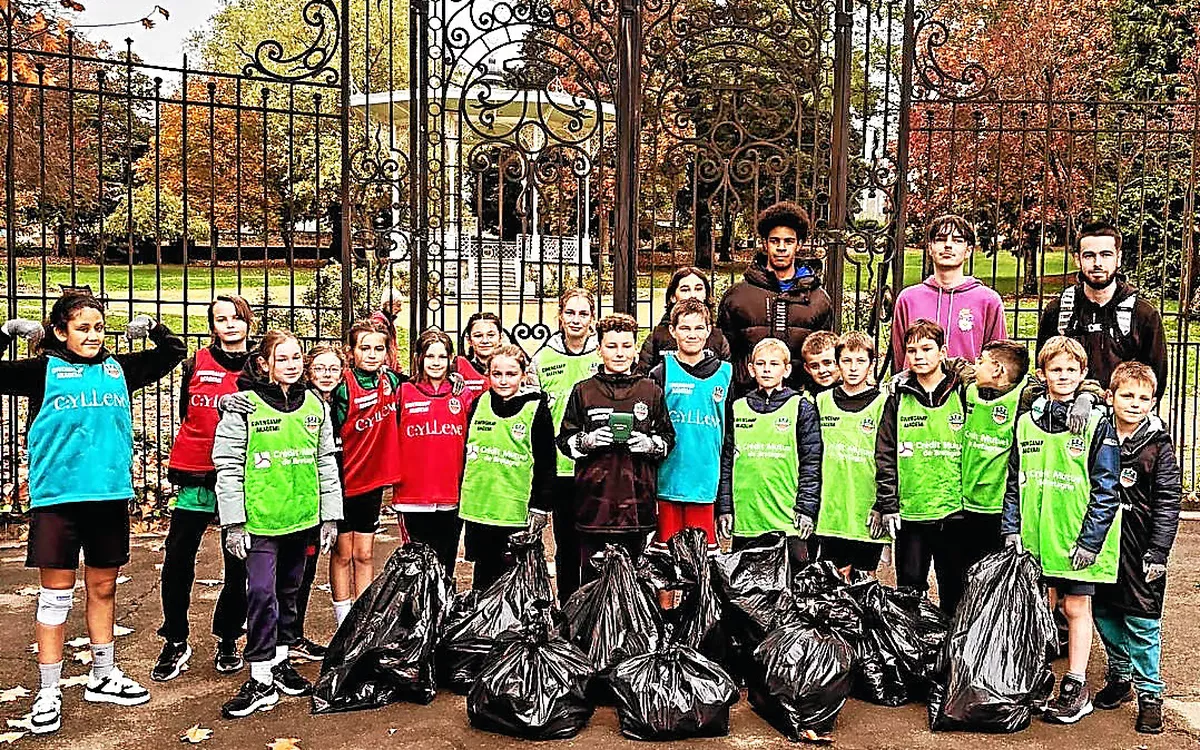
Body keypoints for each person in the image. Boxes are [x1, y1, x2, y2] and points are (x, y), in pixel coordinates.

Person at [0, 296, 185, 735]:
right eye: (82, 328)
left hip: (108, 496)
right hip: (58, 500)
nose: (94, 336)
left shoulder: (118, 369)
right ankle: (48, 690)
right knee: (55, 598)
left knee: (103, 590)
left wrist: (154, 328)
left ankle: (102, 675)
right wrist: (5, 334)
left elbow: (173, 354)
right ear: (60, 332)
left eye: (99, 327)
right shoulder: (42, 371)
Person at [213, 330, 343, 719]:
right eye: (282, 358)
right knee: (261, 593)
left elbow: (325, 463)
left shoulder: (314, 407)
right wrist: (234, 522)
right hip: (260, 522)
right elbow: (228, 465)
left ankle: (282, 662)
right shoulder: (243, 408)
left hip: (301, 518)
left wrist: (330, 516)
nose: (292, 364)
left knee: (289, 591)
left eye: (296, 357)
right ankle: (259, 676)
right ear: (264, 364)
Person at [1001, 335, 1121, 725]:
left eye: (1072, 369)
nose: (1064, 375)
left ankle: (1075, 684)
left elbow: (1107, 486)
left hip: (1076, 538)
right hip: (1038, 537)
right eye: (1056, 369)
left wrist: (1091, 540)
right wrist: (1012, 528)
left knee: (1075, 607)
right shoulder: (1025, 423)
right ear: (1042, 374)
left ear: (1083, 374)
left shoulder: (1096, 423)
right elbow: (1015, 480)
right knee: (1042, 606)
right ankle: (1038, 679)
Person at [153, 296, 254, 683]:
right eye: (220, 319)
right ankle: (175, 639)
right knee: (178, 559)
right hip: (195, 473)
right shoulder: (196, 363)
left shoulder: (259, 366)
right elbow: (186, 412)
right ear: (213, 326)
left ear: (247, 322)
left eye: (236, 318)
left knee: (238, 563)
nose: (229, 325)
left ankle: (229, 637)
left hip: (241, 478)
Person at [1093, 362, 1181, 735]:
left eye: (1144, 398)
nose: (1135, 403)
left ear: (1153, 402)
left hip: (1141, 545)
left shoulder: (1159, 444)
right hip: (1100, 541)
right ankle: (1120, 674)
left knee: (1143, 621)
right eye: (1127, 395)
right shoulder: (1096, 432)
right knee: (1103, 611)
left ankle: (1150, 695)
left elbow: (1167, 499)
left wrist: (1158, 551)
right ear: (1110, 397)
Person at [557, 313, 675, 583]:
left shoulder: (650, 390)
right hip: (594, 504)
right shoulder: (584, 391)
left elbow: (668, 436)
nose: (619, 353)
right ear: (599, 349)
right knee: (593, 580)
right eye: (611, 346)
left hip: (636, 503)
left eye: (626, 346)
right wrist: (585, 442)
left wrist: (650, 444)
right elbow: (565, 439)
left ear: (636, 349)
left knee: (632, 580)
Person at [873, 319, 968, 616]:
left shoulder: (963, 392)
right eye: (911, 350)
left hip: (955, 509)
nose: (919, 357)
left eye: (926, 349)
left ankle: (951, 652)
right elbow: (885, 452)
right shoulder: (897, 397)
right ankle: (915, 654)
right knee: (909, 590)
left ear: (943, 352)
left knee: (955, 588)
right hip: (911, 511)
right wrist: (888, 503)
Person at [716, 337, 822, 567]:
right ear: (751, 369)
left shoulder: (801, 407)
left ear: (786, 370)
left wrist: (806, 508)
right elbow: (726, 462)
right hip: (747, 519)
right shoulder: (738, 407)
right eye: (761, 364)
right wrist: (725, 508)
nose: (767, 369)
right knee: (748, 593)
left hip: (787, 519)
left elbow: (811, 464)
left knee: (792, 589)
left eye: (774, 364)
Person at [459, 345, 556, 591]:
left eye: (511, 374)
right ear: (488, 375)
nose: (503, 380)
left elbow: (546, 462)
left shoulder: (535, 408)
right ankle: (481, 625)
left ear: (523, 375)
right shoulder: (479, 403)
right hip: (480, 507)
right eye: (496, 374)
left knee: (513, 578)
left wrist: (540, 506)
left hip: (515, 510)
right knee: (482, 576)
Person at [1036, 221, 1167, 399]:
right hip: (1068, 415)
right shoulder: (1057, 311)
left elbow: (1155, 378)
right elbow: (1044, 365)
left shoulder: (1144, 314)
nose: (1098, 263)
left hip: (1121, 417)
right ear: (1077, 259)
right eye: (1089, 255)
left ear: (1118, 258)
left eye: (1106, 255)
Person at [328, 320, 405, 626]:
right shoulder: (343, 384)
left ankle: (363, 619)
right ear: (351, 352)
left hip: (372, 484)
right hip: (344, 483)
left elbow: (423, 387)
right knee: (343, 554)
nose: (372, 355)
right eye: (365, 348)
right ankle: (342, 619)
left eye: (378, 349)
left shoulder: (392, 383)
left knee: (365, 553)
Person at [716, 201, 834, 394]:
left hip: (797, 398)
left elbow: (824, 353)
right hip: (747, 398)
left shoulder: (818, 299)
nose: (781, 248)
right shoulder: (737, 296)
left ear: (799, 244)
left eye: (788, 241)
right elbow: (725, 353)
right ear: (764, 243)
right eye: (774, 241)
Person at [528, 288, 598, 604]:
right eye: (570, 312)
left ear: (592, 318)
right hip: (561, 467)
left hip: (598, 466)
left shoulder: (602, 355)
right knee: (566, 543)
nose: (576, 319)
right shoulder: (543, 358)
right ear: (560, 316)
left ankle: (594, 608)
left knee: (595, 545)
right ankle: (568, 606)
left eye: (583, 313)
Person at [648, 298, 732, 558]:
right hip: (668, 480)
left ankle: (696, 602)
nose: (692, 334)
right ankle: (663, 602)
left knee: (701, 562)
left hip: (706, 482)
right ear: (673, 331)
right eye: (685, 328)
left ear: (709, 330)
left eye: (698, 328)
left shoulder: (725, 374)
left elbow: (729, 434)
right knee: (665, 561)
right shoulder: (660, 373)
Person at [394, 329, 476, 576]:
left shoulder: (463, 395)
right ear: (419, 357)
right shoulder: (403, 392)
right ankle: (419, 615)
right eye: (430, 356)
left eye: (442, 356)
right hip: (413, 496)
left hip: (451, 493)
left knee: (445, 562)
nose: (436, 362)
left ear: (451, 358)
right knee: (416, 566)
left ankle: (443, 613)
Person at [889, 215, 1007, 372]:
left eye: (957, 240)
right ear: (930, 248)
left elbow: (998, 358)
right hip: (916, 392)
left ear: (968, 251)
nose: (948, 246)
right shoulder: (908, 299)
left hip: (967, 393)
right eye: (941, 239)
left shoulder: (988, 300)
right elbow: (899, 355)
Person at [814, 332, 889, 577]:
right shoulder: (822, 401)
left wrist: (883, 504)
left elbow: (889, 459)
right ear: (837, 364)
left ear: (872, 364)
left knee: (864, 581)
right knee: (835, 581)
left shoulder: (884, 403)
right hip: (832, 511)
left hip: (867, 510)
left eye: (860, 361)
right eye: (846, 361)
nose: (853, 368)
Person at [957, 339, 1031, 565]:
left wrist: (1087, 397)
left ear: (998, 369)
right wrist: (905, 375)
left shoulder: (1027, 395)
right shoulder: (971, 387)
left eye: (981, 361)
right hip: (967, 504)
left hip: (1001, 508)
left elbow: (1072, 383)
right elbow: (953, 364)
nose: (975, 365)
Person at [638, 266, 730, 374]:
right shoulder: (658, 336)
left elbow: (727, 376)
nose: (692, 295)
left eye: (698, 289)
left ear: (706, 294)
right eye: (685, 290)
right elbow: (642, 377)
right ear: (672, 296)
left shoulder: (717, 338)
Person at [455, 311, 503, 397]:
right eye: (478, 336)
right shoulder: (457, 367)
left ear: (500, 338)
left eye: (491, 335)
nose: (485, 341)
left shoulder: (513, 366)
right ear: (469, 339)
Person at [799, 330, 840, 397]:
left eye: (827, 363)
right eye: (814, 366)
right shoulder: (805, 399)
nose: (822, 370)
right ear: (807, 368)